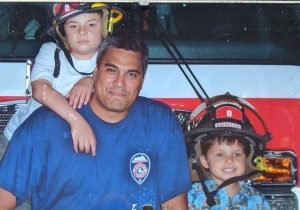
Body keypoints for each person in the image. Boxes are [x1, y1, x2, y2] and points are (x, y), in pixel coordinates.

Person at [0, 36, 192, 210]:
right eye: (111, 70)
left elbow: (174, 203)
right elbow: (4, 198)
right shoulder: (45, 124)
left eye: (131, 74)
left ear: (142, 80)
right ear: (95, 72)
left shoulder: (160, 121)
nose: (120, 83)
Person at [2, 2, 124, 156]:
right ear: (62, 32)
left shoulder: (112, 61)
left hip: (64, 148)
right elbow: (40, 90)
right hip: (19, 140)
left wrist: (91, 80)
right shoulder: (51, 52)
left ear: (105, 27)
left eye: (91, 24)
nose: (82, 32)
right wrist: (77, 121)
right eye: (73, 26)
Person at [185, 93, 272, 209]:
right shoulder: (190, 198)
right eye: (220, 154)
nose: (229, 160)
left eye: (237, 154)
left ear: (247, 159)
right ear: (204, 160)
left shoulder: (257, 200)